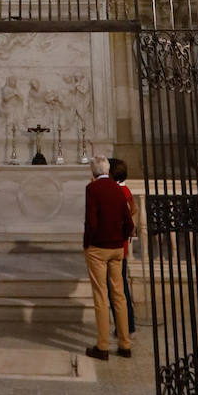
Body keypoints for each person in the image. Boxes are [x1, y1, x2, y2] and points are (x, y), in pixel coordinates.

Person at [83, 154, 134, 360]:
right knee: (119, 295)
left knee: (101, 296)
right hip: (116, 248)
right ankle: (124, 344)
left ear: (93, 172)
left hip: (99, 248)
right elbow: (128, 221)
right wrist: (119, 238)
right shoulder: (117, 188)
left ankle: (103, 346)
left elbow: (91, 221)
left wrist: (88, 243)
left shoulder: (92, 188)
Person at [108, 158, 136, 337]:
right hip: (121, 245)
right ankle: (125, 327)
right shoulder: (125, 190)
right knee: (120, 288)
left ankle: (126, 327)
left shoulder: (117, 192)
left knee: (117, 290)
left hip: (116, 245)